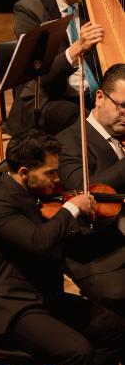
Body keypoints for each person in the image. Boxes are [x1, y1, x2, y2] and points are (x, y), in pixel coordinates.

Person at [0, 129, 125, 365]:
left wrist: (90, 221)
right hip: (14, 308)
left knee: (115, 327)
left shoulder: (37, 196)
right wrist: (71, 208)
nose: (57, 180)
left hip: (46, 298)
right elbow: (38, 242)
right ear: (24, 172)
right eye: (50, 173)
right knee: (78, 352)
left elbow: (60, 236)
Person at [7, 0, 104, 135]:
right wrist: (76, 49)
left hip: (89, 92)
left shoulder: (90, 2)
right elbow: (40, 73)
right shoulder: (30, 9)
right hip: (48, 96)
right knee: (83, 120)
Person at [55, 63, 125, 317]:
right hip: (99, 254)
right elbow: (84, 190)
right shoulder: (69, 142)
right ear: (99, 97)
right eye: (123, 106)